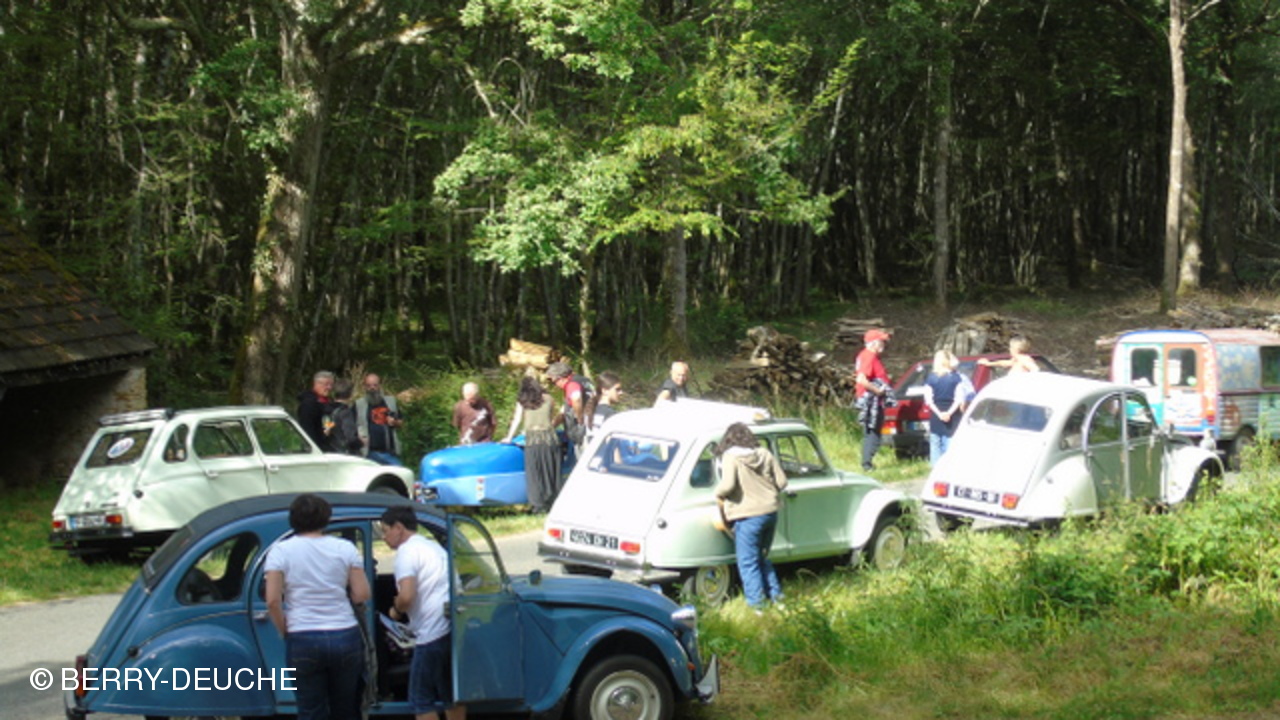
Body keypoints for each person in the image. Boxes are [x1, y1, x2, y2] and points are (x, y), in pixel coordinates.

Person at [264, 494, 370, 720]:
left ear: (293, 519)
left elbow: (272, 600)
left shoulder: (280, 551)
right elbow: (362, 593)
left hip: (302, 635)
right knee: (346, 709)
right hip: (345, 634)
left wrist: (284, 630)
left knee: (310, 710)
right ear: (326, 518)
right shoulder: (345, 548)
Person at [380, 506, 465, 720]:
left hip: (431, 632)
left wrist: (395, 610)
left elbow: (407, 596)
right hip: (450, 626)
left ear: (398, 528)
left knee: (420, 699)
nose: (383, 537)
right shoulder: (432, 547)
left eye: (385, 530)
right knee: (451, 695)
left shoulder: (406, 552)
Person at [714, 422, 788, 614]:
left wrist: (717, 493)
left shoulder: (731, 457)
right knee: (762, 557)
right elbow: (782, 482)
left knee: (748, 562)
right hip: (770, 512)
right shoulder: (764, 453)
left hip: (748, 515)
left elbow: (727, 485)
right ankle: (777, 598)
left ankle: (757, 606)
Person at [502, 376, 563, 512]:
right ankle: (552, 502)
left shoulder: (523, 401)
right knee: (551, 472)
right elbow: (551, 418)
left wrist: (509, 437)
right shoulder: (549, 398)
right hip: (550, 438)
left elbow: (517, 419)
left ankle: (537, 504)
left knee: (534, 474)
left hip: (533, 440)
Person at [853, 329, 892, 471]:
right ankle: (867, 464)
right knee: (873, 432)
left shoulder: (865, 355)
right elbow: (861, 379)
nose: (883, 344)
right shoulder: (869, 356)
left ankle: (867, 462)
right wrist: (878, 390)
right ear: (873, 343)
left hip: (869, 400)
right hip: (871, 401)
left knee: (871, 431)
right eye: (881, 341)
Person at [922, 350, 964, 465]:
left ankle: (935, 468)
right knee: (949, 441)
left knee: (935, 442)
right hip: (953, 414)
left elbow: (928, 400)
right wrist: (949, 413)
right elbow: (959, 399)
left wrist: (939, 413)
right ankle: (948, 467)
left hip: (936, 415)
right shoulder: (956, 378)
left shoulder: (931, 378)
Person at [357, 373, 405, 466]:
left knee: (398, 471)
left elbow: (401, 422)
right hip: (369, 452)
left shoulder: (391, 401)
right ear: (364, 387)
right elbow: (352, 426)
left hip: (390, 451)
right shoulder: (359, 404)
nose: (372, 388)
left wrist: (394, 422)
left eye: (375, 385)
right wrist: (358, 437)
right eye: (369, 385)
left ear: (380, 386)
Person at [545, 362, 592, 447]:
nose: (555, 385)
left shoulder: (572, 385)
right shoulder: (585, 381)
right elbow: (564, 411)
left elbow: (576, 400)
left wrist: (580, 418)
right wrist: (552, 426)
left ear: (561, 378)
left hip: (583, 431)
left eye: (554, 382)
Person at [297, 371, 335, 449]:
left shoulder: (327, 401)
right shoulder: (309, 404)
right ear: (316, 384)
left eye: (331, 385)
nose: (329, 388)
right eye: (326, 384)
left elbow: (328, 421)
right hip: (315, 447)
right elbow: (307, 428)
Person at [325, 379, 363, 455]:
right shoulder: (345, 412)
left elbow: (327, 429)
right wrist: (360, 443)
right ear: (350, 394)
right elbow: (350, 437)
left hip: (329, 451)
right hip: (344, 452)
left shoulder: (327, 409)